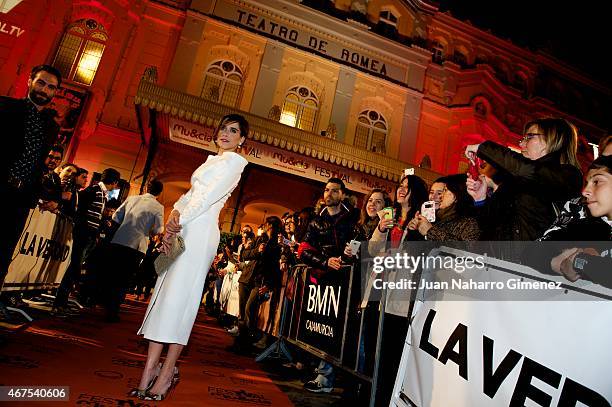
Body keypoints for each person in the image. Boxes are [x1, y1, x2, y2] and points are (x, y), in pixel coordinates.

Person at [133, 114, 249, 401]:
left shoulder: (235, 162)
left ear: (242, 139)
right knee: (162, 296)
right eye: (223, 127)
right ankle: (149, 370)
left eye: (233, 131)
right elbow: (189, 195)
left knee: (180, 301)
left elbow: (206, 197)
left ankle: (167, 371)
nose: (226, 133)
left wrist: (178, 220)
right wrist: (173, 215)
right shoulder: (212, 161)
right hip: (184, 226)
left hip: (199, 234)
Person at [464, 117, 583, 240]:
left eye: (529, 137)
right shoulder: (514, 179)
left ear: (552, 140)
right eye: (523, 138)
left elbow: (530, 170)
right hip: (494, 257)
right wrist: (480, 199)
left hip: (533, 257)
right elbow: (487, 225)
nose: (521, 143)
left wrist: (483, 148)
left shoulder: (568, 175)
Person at [1, 65, 62, 294]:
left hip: (20, 200)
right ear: (30, 81)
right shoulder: (6, 107)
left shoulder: (51, 127)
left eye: (51, 87)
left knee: (4, 254)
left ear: (55, 92)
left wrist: (43, 197)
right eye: (41, 83)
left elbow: (38, 166)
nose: (44, 89)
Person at [298, 177, 359, 393]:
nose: (329, 194)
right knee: (321, 327)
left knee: (337, 330)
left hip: (348, 282)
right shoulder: (316, 221)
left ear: (342, 194)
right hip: (321, 282)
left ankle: (329, 377)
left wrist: (346, 259)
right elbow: (303, 250)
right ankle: (322, 373)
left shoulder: (354, 218)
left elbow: (362, 245)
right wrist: (325, 262)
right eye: (326, 190)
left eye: (334, 191)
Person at [52, 168, 121, 315]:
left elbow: (93, 214)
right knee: (74, 269)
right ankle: (60, 303)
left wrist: (100, 225)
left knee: (74, 268)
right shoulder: (94, 190)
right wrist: (84, 229)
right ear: (114, 182)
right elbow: (81, 209)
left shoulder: (102, 194)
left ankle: (62, 302)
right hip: (84, 234)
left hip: (90, 235)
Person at [102, 179, 165, 322]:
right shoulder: (158, 207)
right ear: (159, 193)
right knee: (125, 277)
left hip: (119, 240)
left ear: (146, 188)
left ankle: (106, 303)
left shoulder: (132, 198)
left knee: (113, 273)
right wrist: (149, 230)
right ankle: (113, 309)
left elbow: (115, 217)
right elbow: (158, 229)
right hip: (137, 245)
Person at [408, 174, 480, 241]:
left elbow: (463, 251)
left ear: (457, 195)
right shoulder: (437, 218)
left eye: (445, 190)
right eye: (431, 192)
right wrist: (415, 230)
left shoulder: (469, 223)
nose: (441, 195)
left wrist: (430, 231)